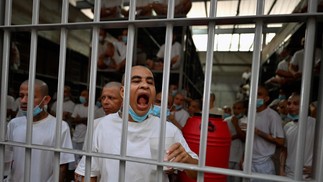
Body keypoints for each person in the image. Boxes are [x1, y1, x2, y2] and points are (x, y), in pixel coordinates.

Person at [74, 65, 198, 181]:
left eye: (150, 82)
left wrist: (186, 160)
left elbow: (197, 173)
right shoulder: (103, 126)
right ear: (123, 92)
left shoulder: (168, 129)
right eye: (136, 81)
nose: (145, 85)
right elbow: (89, 173)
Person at [5, 79, 74, 182]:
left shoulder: (60, 127)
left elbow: (62, 167)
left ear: (46, 100)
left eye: (30, 96)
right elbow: (7, 158)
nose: (23, 101)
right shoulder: (14, 124)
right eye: (21, 96)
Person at [250, 86, 284, 181]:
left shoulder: (272, 116)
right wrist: (244, 157)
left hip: (264, 164)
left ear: (267, 99)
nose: (255, 97)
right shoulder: (252, 114)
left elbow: (281, 141)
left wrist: (259, 132)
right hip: (250, 162)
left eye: (259, 94)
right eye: (254, 94)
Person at [279, 92, 316, 180]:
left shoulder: (315, 123)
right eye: (289, 103)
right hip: (289, 175)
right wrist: (281, 169)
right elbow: (284, 150)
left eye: (296, 103)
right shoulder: (287, 126)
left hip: (307, 177)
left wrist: (317, 169)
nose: (291, 106)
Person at [70, 89, 94, 170]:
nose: (82, 97)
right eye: (81, 94)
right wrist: (85, 119)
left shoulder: (94, 108)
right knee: (72, 163)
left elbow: (92, 123)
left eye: (84, 95)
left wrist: (79, 119)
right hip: (75, 138)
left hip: (86, 139)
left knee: (83, 164)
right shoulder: (77, 106)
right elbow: (72, 120)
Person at [225, 100, 247, 182]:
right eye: (234, 108)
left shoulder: (247, 121)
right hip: (228, 156)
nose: (236, 111)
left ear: (244, 110)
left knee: (237, 180)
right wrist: (236, 136)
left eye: (239, 108)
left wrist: (236, 124)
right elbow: (224, 138)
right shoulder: (227, 120)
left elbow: (244, 138)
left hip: (240, 157)